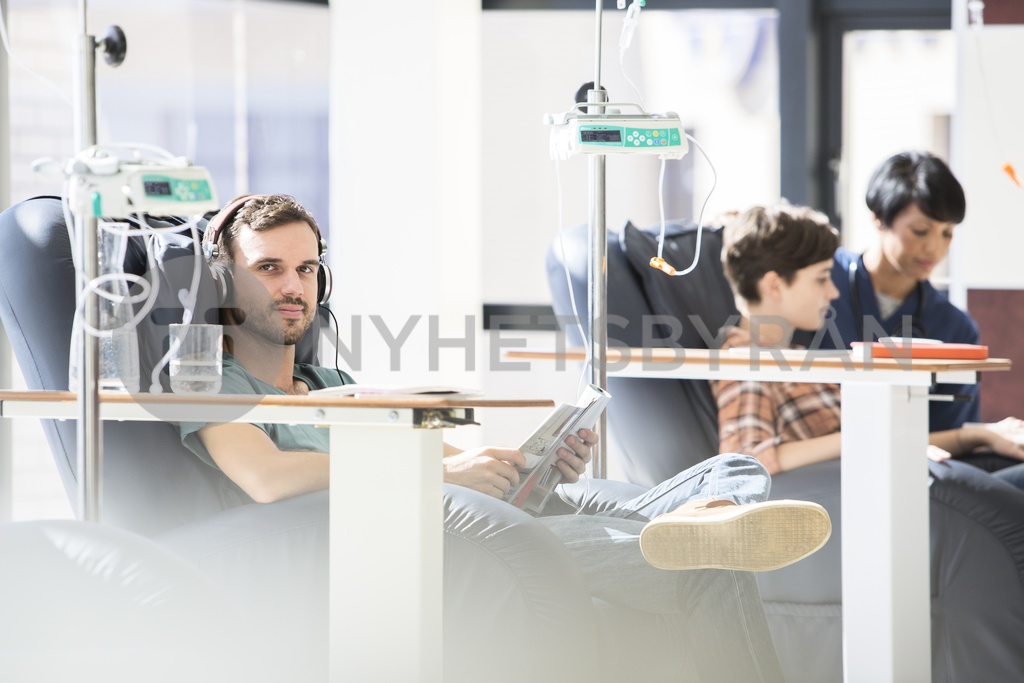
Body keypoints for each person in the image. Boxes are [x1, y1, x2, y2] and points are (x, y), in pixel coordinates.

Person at [178, 193, 832, 681]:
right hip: (429, 538)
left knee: (738, 466)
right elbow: (264, 478)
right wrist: (444, 478)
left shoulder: (333, 378)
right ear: (224, 279)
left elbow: (426, 450)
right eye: (269, 268)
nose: (293, 286)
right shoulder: (212, 379)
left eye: (306, 268)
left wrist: (516, 461)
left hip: (471, 507)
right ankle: (699, 531)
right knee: (711, 564)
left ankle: (710, 511)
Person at [710, 203, 1024, 475]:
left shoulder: (792, 358)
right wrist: (867, 439)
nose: (833, 292)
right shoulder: (746, 361)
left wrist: (978, 435)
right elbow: (745, 460)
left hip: (906, 472)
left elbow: (880, 438)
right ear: (774, 286)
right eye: (822, 278)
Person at [818, 151, 979, 433]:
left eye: (947, 233)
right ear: (879, 218)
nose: (935, 249)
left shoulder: (955, 329)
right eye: (920, 230)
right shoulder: (819, 282)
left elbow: (949, 438)